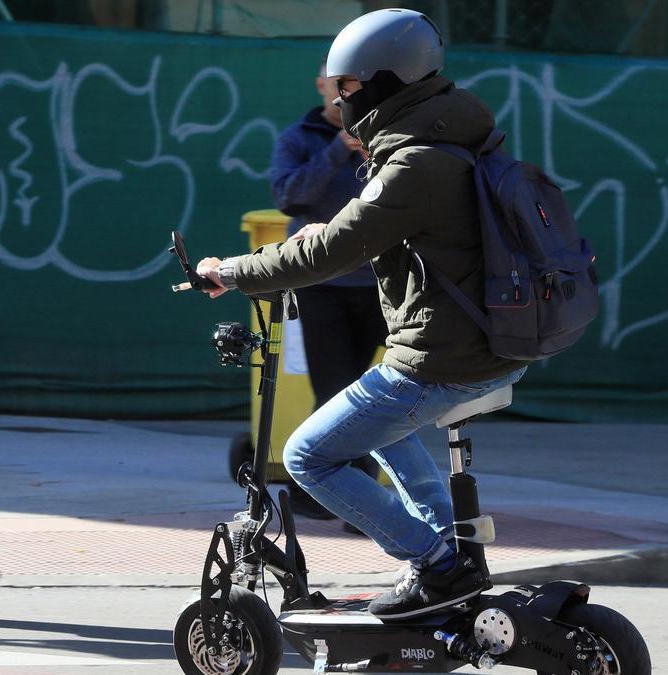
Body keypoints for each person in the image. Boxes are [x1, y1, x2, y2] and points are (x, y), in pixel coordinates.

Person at [196, 9, 527, 620]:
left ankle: (436, 564)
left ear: (384, 83)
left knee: (308, 456)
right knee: (382, 427)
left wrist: (232, 271)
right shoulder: (463, 138)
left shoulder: (414, 161)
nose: (341, 99)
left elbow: (328, 251)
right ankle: (451, 557)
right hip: (494, 348)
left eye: (347, 87)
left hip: (441, 357)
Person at [270, 66, 388, 526]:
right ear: (320, 86)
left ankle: (361, 496)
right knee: (337, 393)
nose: (342, 95)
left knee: (388, 393)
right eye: (333, 83)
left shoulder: (385, 135)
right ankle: (343, 496)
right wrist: (339, 149)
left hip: (382, 285)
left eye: (350, 86)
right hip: (322, 287)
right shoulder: (299, 138)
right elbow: (289, 197)